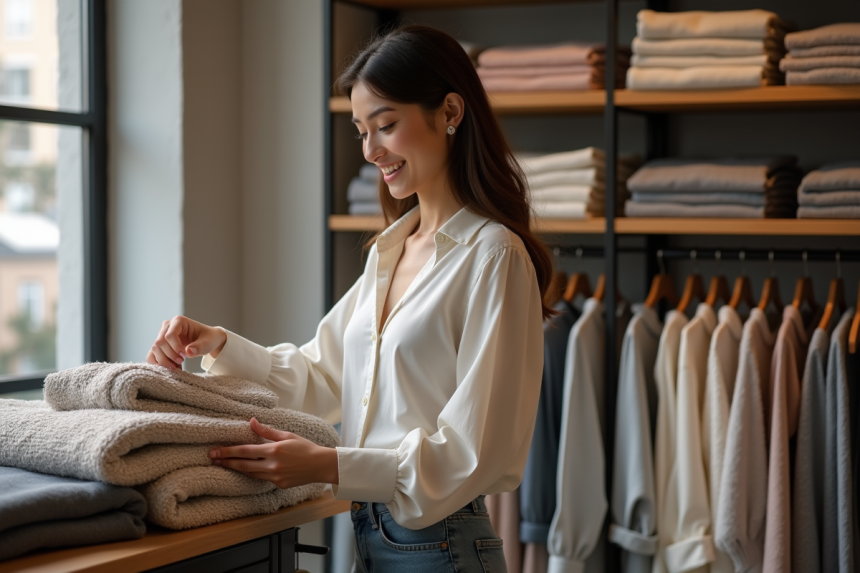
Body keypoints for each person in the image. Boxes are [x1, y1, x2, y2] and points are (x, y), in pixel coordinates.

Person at [147, 25, 553, 572]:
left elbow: (477, 450)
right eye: (362, 131)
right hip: (370, 535)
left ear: (450, 112)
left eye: (386, 125)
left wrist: (330, 465)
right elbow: (322, 378)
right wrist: (217, 342)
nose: (370, 150)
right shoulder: (390, 251)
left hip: (441, 545)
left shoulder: (493, 256)